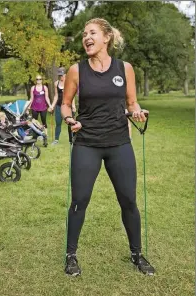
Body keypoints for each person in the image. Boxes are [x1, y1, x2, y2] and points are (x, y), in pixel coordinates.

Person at [61, 18, 154, 277]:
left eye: (92, 33)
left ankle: (137, 254)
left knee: (129, 201)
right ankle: (71, 256)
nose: (86, 38)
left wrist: (137, 113)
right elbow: (66, 104)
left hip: (119, 143)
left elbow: (132, 102)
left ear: (106, 38)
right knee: (79, 201)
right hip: (87, 143)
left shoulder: (125, 68)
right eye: (84, 34)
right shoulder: (76, 71)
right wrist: (69, 120)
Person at [50, 68, 76, 145]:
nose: (61, 77)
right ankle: (56, 140)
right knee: (58, 123)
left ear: (65, 74)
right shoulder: (56, 83)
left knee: (70, 123)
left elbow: (72, 95)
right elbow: (56, 96)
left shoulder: (69, 83)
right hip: (58, 106)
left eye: (62, 75)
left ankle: (71, 140)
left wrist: (73, 106)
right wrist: (52, 106)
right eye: (59, 75)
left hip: (67, 106)